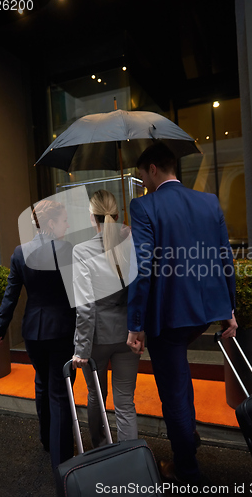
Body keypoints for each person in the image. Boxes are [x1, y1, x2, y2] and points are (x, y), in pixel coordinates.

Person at [127, 142, 238, 485]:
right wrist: (229, 310)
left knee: (173, 391)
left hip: (168, 316)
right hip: (204, 311)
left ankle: (186, 470)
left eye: (142, 175)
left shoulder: (143, 205)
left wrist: (136, 325)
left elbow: (142, 268)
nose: (142, 181)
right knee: (180, 379)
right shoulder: (208, 201)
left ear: (154, 170)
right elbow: (225, 258)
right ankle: (187, 434)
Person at [0, 200, 76, 471]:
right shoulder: (68, 250)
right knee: (60, 391)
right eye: (64, 220)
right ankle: (62, 459)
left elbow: (11, 295)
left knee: (42, 383)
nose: (68, 225)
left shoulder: (20, 252)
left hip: (33, 332)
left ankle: (47, 440)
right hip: (62, 331)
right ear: (50, 223)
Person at [72, 189, 140, 447]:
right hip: (127, 333)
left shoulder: (81, 251)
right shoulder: (130, 244)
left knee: (96, 396)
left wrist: (81, 349)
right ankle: (130, 457)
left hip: (97, 338)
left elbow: (85, 307)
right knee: (125, 401)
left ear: (92, 218)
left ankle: (101, 447)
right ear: (117, 214)